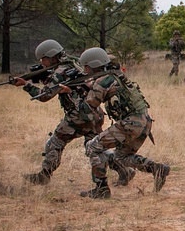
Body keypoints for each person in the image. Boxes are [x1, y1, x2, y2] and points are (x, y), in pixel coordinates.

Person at [13, 39, 132, 187]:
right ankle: (123, 170)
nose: (42, 62)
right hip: (94, 114)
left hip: (78, 116)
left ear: (51, 57)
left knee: (55, 142)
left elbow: (44, 96)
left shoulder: (60, 71)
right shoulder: (74, 64)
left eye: (43, 59)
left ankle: (44, 175)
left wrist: (25, 85)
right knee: (94, 147)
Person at [77, 48, 170, 199]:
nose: (84, 70)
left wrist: (78, 93)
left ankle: (101, 189)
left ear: (93, 65)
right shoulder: (115, 75)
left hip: (130, 123)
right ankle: (157, 169)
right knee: (122, 156)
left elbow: (87, 108)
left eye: (86, 66)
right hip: (144, 121)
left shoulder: (102, 81)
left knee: (93, 147)